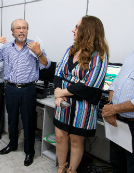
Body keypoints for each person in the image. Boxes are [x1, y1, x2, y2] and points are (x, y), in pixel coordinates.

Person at [0, 19, 51, 166]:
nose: (21, 30)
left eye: (24, 28)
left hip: (28, 89)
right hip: (10, 88)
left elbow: (46, 64)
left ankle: (29, 152)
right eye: (18, 28)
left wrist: (39, 53)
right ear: (12, 32)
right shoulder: (6, 48)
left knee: (28, 121)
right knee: (12, 118)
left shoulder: (34, 46)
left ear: (27, 30)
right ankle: (12, 144)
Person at [53, 16, 109, 173]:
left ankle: (72, 170)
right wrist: (58, 95)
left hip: (83, 107)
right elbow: (58, 74)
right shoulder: (70, 50)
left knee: (76, 140)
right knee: (60, 136)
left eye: (77, 27)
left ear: (88, 31)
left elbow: (90, 85)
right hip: (63, 104)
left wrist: (61, 92)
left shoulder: (99, 55)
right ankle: (62, 167)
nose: (73, 30)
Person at [102, 51, 134, 173]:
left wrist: (113, 109)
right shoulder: (130, 56)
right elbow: (115, 83)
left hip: (132, 123)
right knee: (117, 162)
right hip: (119, 121)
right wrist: (111, 105)